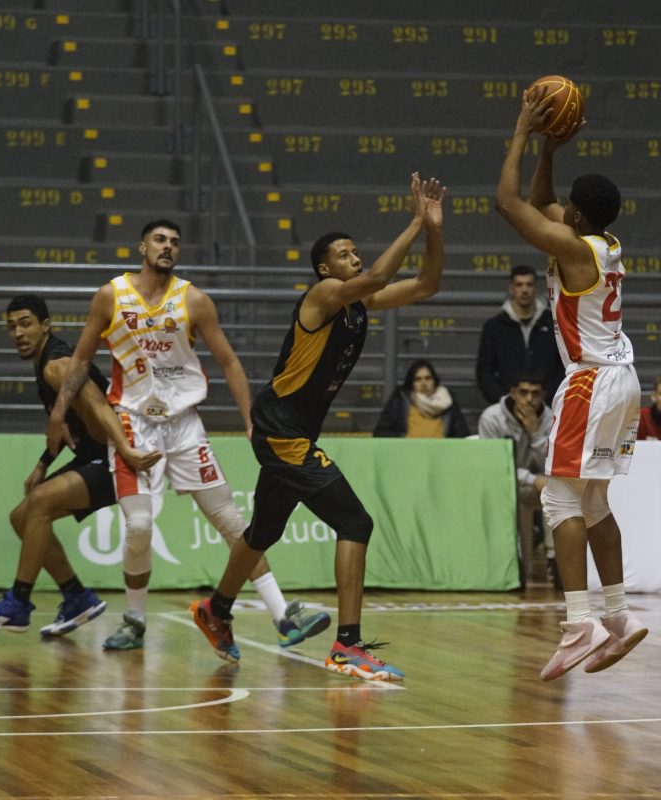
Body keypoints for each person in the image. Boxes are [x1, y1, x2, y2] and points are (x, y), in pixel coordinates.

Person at [190, 173, 446, 681]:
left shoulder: (357, 304)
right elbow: (378, 276)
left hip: (292, 433)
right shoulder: (324, 294)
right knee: (356, 523)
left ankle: (215, 610)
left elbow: (426, 285)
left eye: (355, 252)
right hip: (282, 431)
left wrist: (434, 230)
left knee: (263, 531)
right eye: (344, 254)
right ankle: (347, 647)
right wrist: (415, 221)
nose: (354, 258)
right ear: (325, 269)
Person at [46, 220, 328, 651]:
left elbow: (230, 363)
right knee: (139, 526)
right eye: (160, 240)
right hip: (133, 422)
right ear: (142, 246)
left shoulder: (194, 300)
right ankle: (134, 620)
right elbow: (81, 359)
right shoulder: (111, 295)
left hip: (183, 425)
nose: (168, 247)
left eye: (175, 242)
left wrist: (250, 420)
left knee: (231, 520)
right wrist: (58, 412)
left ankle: (282, 614)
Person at [495, 91, 648, 680]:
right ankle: (619, 616)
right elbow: (541, 202)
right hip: (622, 379)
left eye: (567, 210)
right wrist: (549, 152)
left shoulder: (574, 247)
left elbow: (509, 204)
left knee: (557, 499)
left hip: (590, 381)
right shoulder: (606, 242)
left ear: (576, 217)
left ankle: (579, 622)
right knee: (595, 502)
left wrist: (522, 129)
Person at [0, 295, 161, 635]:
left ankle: (18, 602)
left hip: (119, 455)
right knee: (22, 517)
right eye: (11, 327)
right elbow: (67, 427)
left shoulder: (56, 366)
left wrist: (124, 450)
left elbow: (98, 407)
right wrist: (43, 464)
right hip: (96, 454)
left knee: (41, 502)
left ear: (45, 325)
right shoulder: (46, 362)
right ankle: (76, 597)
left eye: (25, 323)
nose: (18, 333)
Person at [477, 373, 557, 588]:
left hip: (536, 485)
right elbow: (493, 467)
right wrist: (531, 478)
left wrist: (536, 434)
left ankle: (555, 559)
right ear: (513, 393)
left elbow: (551, 464)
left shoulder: (550, 419)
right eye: (523, 392)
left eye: (535, 394)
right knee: (516, 496)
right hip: (500, 486)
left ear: (543, 395)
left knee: (557, 493)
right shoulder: (492, 418)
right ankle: (516, 563)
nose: (529, 399)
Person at [476, 265, 565, 405]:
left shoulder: (554, 323)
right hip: (507, 408)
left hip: (549, 406)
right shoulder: (494, 327)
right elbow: (484, 372)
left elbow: (564, 365)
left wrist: (548, 398)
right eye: (519, 285)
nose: (524, 290)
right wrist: (506, 401)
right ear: (511, 288)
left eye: (529, 284)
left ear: (536, 288)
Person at [372, 359, 469, 438]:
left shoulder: (447, 401)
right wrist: (403, 440)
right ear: (411, 384)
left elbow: (462, 434)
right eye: (418, 379)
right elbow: (381, 432)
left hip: (441, 453)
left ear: (434, 381)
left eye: (428, 378)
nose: (423, 383)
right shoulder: (401, 401)